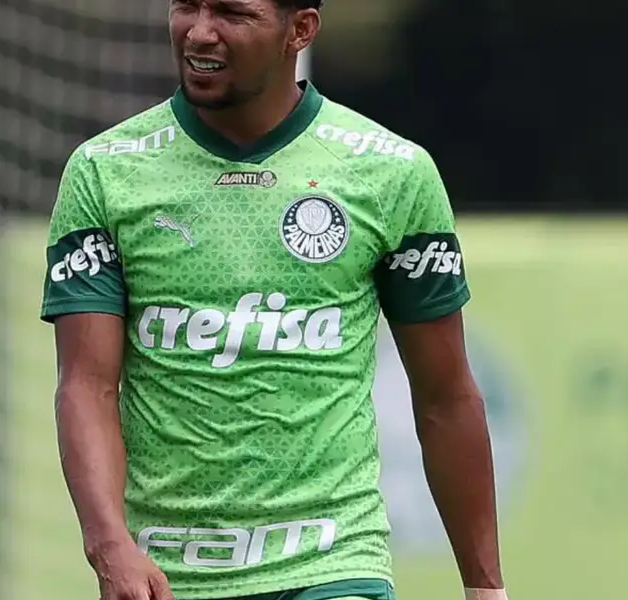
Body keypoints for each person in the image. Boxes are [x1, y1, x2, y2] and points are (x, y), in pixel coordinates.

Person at [40, 1, 509, 599]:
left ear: (301, 30)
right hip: (167, 576)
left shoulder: (391, 173)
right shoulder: (105, 172)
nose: (200, 32)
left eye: (233, 13)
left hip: (333, 563)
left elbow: (445, 395)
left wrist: (485, 587)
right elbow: (86, 385)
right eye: (187, 5)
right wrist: (109, 545)